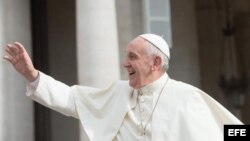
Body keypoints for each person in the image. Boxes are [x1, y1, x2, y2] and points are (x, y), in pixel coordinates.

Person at [3, 34, 242, 141]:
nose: (124, 63)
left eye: (132, 57)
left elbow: (229, 131)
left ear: (155, 63)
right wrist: (32, 75)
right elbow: (72, 100)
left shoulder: (187, 97)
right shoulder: (118, 93)